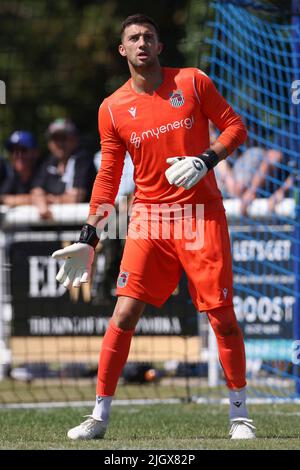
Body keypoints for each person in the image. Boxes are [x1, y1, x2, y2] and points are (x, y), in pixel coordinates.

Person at [52, 14, 256, 440]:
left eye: (149, 36)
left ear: (160, 47)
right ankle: (98, 417)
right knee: (123, 314)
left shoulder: (193, 81)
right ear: (122, 51)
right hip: (150, 219)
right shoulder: (111, 108)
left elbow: (236, 128)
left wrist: (206, 160)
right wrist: (88, 235)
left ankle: (240, 415)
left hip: (201, 216)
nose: (142, 42)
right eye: (133, 38)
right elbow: (108, 176)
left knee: (223, 320)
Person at [31, 118, 97, 218]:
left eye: (64, 138)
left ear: (75, 140)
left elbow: (75, 198)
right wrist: (42, 204)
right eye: (55, 139)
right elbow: (36, 191)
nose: (60, 143)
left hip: (81, 223)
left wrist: (49, 199)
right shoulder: (49, 161)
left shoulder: (82, 159)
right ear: (49, 143)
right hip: (52, 223)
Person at [0, 131, 41, 206]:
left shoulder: (45, 173)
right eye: (13, 151)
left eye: (23, 150)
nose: (18, 155)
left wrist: (10, 199)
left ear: (35, 152)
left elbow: (55, 198)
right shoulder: (6, 175)